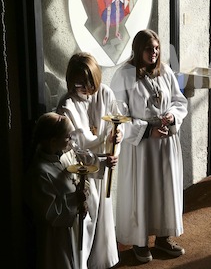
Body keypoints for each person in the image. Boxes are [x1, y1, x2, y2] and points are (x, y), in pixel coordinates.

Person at [110, 29, 188, 263]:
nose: (153, 53)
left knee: (166, 189)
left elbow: (178, 100)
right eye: (148, 48)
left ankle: (163, 238)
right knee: (141, 192)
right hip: (141, 147)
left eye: (156, 48)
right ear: (137, 49)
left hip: (165, 142)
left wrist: (173, 117)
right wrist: (146, 131)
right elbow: (118, 115)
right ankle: (140, 241)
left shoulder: (164, 70)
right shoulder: (123, 75)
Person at [56, 52, 120, 269]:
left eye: (89, 83)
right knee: (87, 221)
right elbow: (72, 148)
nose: (85, 88)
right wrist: (100, 162)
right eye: (79, 84)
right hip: (84, 170)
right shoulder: (67, 105)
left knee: (105, 217)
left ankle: (102, 262)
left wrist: (116, 135)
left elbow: (117, 120)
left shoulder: (105, 93)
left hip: (105, 164)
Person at [25, 112, 87, 269]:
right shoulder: (40, 172)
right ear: (53, 141)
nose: (70, 140)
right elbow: (50, 213)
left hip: (67, 232)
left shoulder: (56, 160)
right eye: (67, 137)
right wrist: (75, 199)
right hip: (54, 239)